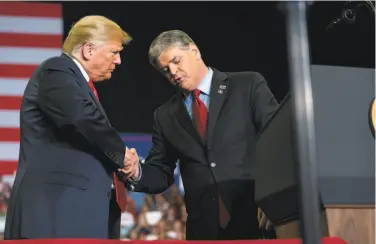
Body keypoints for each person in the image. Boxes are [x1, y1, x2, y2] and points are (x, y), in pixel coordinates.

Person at [124, 30, 279, 240]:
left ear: (195, 51)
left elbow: (276, 142)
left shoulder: (248, 85)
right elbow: (161, 171)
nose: (173, 72)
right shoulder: (165, 115)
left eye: (176, 61)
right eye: (165, 70)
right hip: (204, 229)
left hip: (256, 219)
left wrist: (275, 201)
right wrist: (135, 172)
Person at [4, 15, 140, 239]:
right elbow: (84, 118)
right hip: (54, 215)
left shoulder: (78, 84)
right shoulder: (56, 70)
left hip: (74, 216)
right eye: (114, 52)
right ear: (88, 49)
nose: (118, 61)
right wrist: (124, 155)